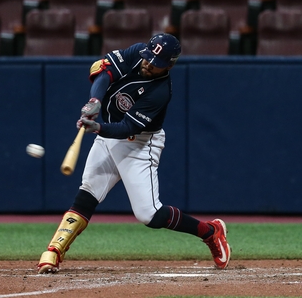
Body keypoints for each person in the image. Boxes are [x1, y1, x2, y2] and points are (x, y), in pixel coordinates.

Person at [37, 33, 231, 274]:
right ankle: (54, 250)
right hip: (107, 136)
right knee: (87, 193)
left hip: (139, 144)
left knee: (150, 215)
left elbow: (127, 128)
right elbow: (104, 70)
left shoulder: (160, 91)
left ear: (170, 65)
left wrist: (97, 127)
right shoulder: (137, 53)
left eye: (156, 63)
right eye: (149, 58)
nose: (149, 64)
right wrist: (95, 100)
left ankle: (211, 232)